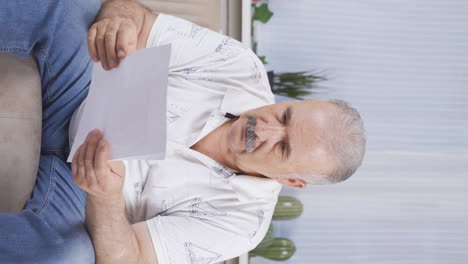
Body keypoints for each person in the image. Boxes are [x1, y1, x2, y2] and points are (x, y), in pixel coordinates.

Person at [0, 0, 366, 263]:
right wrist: (119, 22)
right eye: (284, 115)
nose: (264, 128)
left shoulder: (243, 225)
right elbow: (136, 17)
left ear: (292, 181)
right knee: (70, 6)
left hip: (80, 195)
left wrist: (107, 198)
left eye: (282, 147)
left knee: (69, 256)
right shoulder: (241, 66)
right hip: (80, 89)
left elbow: (131, 259)